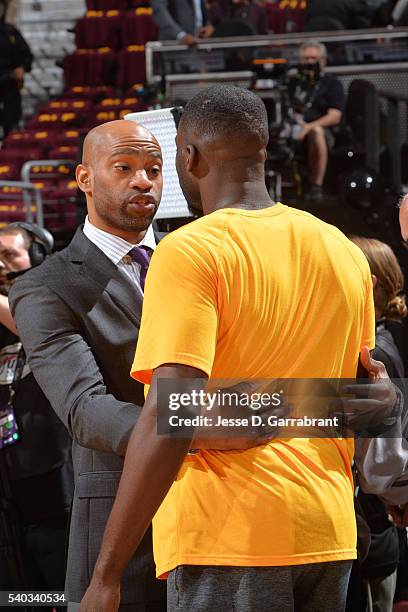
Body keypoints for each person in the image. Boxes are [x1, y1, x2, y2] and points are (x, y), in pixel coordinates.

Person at [79, 84, 391, 612]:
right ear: (264, 151)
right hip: (329, 528)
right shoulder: (342, 248)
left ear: (188, 155)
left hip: (231, 534)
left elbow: (168, 416)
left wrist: (105, 576)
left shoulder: (190, 250)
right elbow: (355, 398)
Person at [8, 119, 286, 612]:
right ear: (84, 178)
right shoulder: (45, 286)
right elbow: (85, 410)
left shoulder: (207, 255)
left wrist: (369, 403)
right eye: (125, 167)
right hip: (124, 526)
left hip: (237, 510)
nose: (143, 181)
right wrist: (203, 429)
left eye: (154, 170)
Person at [0, 222, 73, 612]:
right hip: (10, 488)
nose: (0, 264)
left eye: (8, 255)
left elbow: (30, 326)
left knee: (61, 589)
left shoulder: (49, 301)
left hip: (52, 483)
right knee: (18, 595)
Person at [350, 236, 407, 612]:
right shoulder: (383, 341)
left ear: (367, 285)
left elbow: (380, 460)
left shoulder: (375, 352)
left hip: (374, 530)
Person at [293, 40, 345, 202]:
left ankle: (316, 186)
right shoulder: (294, 83)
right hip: (295, 126)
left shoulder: (332, 84)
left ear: (323, 60)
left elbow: (335, 115)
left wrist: (309, 127)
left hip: (322, 131)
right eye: (306, 59)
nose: (310, 62)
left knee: (317, 132)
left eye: (314, 58)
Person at [0, 0, 32, 138]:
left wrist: (22, 67)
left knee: (11, 121)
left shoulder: (10, 32)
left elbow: (27, 55)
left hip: (10, 86)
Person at [305, 0, 371, 30]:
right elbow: (363, 29)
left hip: (314, 49)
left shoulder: (309, 2)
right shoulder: (354, 2)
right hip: (346, 51)